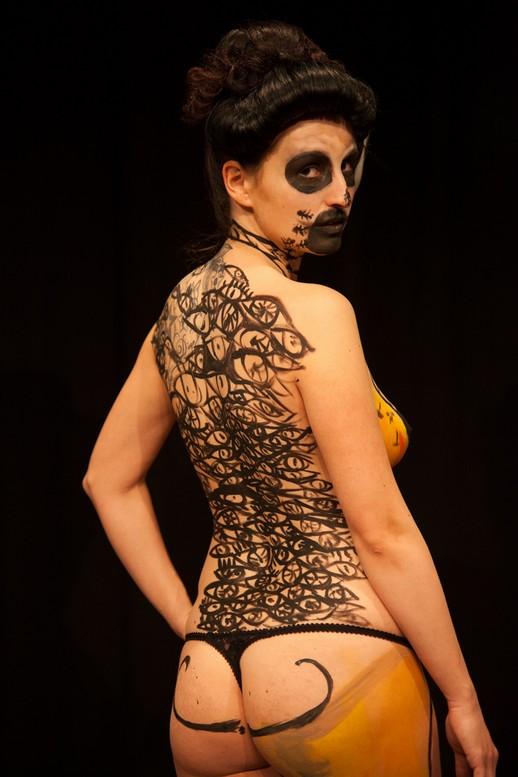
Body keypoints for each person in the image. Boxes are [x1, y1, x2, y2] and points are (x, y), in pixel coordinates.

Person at [83, 19, 498, 777]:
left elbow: (105, 479)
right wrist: (463, 696)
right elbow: (381, 532)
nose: (340, 193)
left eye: (349, 168)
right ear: (238, 182)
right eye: (310, 171)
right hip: (337, 661)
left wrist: (191, 622)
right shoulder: (319, 312)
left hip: (207, 679)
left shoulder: (175, 319)